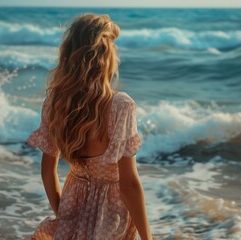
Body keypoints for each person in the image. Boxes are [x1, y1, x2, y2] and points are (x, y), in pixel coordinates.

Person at [27, 13, 152, 240]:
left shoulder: (54, 104)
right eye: (113, 46)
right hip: (112, 217)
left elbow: (47, 171)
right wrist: (148, 238)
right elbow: (129, 185)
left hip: (72, 206)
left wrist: (64, 218)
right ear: (105, 55)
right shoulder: (120, 106)